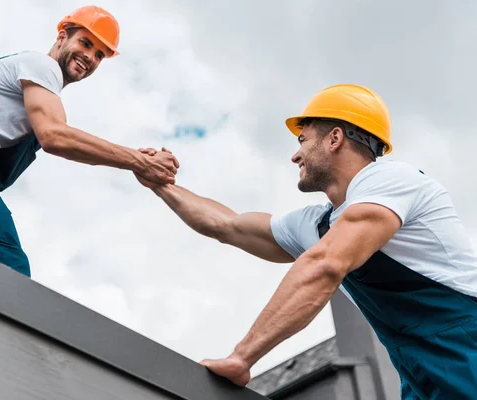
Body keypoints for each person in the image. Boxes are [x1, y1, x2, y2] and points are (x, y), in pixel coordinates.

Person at [135, 84, 477, 399]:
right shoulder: (320, 225)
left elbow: (325, 265)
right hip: (425, 376)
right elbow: (227, 226)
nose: (295, 156)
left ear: (335, 138)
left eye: (302, 140)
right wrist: (159, 182)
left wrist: (242, 357)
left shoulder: (390, 181)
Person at [0, 5, 179, 278]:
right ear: (62, 37)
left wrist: (134, 158)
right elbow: (55, 136)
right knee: (9, 274)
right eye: (85, 43)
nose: (90, 57)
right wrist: (139, 161)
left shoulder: (37, 89)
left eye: (99, 55)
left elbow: (58, 135)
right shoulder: (41, 65)